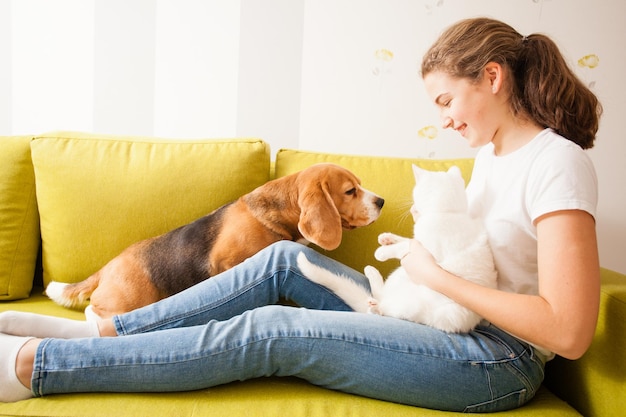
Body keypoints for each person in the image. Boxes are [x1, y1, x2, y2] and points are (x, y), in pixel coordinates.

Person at [0, 17, 601, 413]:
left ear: (492, 78)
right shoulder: (494, 157)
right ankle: (98, 331)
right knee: (286, 259)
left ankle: (39, 367)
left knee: (276, 331)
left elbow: (569, 333)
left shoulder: (559, 164)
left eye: (446, 100)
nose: (443, 119)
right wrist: (422, 281)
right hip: (437, 318)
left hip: (495, 361)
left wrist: (437, 277)